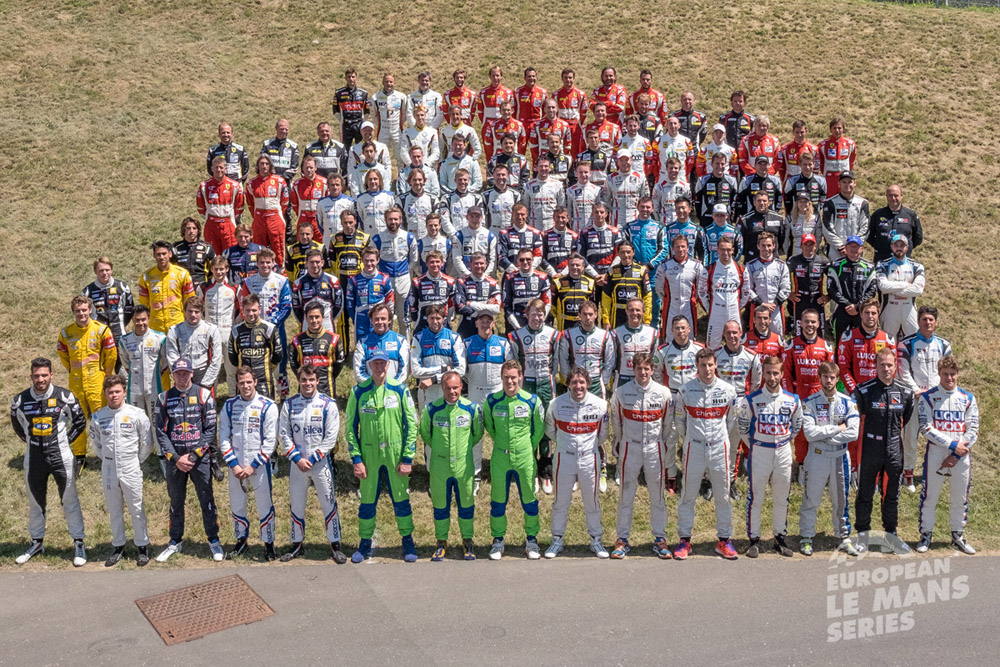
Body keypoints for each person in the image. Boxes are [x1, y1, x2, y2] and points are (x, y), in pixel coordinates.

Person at [10, 358, 88, 566]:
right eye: (36, 376)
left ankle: (78, 542)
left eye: (44, 375)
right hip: (34, 457)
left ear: (51, 375)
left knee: (69, 499)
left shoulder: (64, 396)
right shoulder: (20, 400)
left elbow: (80, 420)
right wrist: (31, 441)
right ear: (31, 376)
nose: (40, 379)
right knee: (35, 501)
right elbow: (17, 425)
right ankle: (36, 542)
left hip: (60, 455)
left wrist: (65, 441)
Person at [346, 351, 419, 563]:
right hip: (369, 456)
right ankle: (365, 543)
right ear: (369, 365)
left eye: (382, 363)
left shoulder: (400, 390)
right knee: (367, 502)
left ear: (388, 365)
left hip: (395, 455)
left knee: (401, 500)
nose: (379, 367)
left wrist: (407, 458)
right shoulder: (359, 392)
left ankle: (407, 540)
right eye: (375, 363)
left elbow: (411, 425)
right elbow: (350, 428)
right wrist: (357, 459)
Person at [673, 348, 740, 561]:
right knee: (688, 495)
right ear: (697, 367)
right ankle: (684, 540)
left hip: (720, 447)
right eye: (703, 365)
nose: (707, 369)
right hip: (694, 447)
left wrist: (718, 438)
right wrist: (692, 438)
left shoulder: (728, 391)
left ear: (716, 365)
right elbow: (680, 423)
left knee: (723, 495)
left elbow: (731, 421)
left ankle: (724, 540)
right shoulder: (685, 391)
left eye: (710, 365)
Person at [154, 358, 222, 563]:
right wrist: (175, 458)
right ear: (172, 375)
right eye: (178, 373)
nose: (182, 376)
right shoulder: (163, 398)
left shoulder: (204, 395)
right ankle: (175, 541)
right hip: (175, 459)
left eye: (185, 373)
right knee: (175, 501)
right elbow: (160, 432)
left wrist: (193, 455)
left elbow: (210, 430)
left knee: (207, 500)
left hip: (199, 459)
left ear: (192, 373)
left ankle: (213, 540)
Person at [278, 364, 347, 563]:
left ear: (318, 381)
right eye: (304, 380)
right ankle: (297, 545)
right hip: (297, 464)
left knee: (328, 503)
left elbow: (331, 438)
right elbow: (284, 434)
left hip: (320, 463)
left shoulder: (328, 404)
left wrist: (313, 458)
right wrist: (298, 458)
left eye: (311, 380)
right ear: (298, 381)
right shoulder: (289, 404)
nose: (307, 384)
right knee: (296, 505)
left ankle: (335, 545)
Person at [609, 352, 674, 559]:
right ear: (633, 370)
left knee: (657, 495)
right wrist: (622, 441)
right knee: (626, 494)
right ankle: (622, 539)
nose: (643, 372)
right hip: (630, 447)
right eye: (639, 369)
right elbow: (616, 423)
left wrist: (660, 444)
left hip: (654, 448)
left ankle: (660, 538)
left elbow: (667, 425)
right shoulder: (621, 392)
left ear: (652, 370)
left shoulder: (664, 393)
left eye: (647, 368)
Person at [738, 355, 803, 558]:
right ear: (763, 374)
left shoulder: (792, 400)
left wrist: (784, 441)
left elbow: (797, 426)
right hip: (760, 451)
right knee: (756, 497)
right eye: (768, 373)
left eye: (776, 373)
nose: (772, 377)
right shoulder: (751, 400)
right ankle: (754, 540)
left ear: (782, 374)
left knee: (782, 497)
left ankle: (779, 537)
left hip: (783, 451)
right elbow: (742, 428)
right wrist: (757, 445)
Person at [544, 366, 610, 559]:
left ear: (588, 384)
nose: (578, 386)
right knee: (560, 501)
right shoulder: (556, 404)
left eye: (581, 382)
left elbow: (602, 434)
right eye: (574, 382)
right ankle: (557, 540)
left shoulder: (600, 405)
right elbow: (551, 432)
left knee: (592, 501)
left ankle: (596, 540)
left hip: (590, 457)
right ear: (568, 384)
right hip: (564, 456)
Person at [916, 355, 978, 555]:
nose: (949, 378)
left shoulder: (968, 398)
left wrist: (956, 454)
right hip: (936, 451)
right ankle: (926, 534)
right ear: (939, 374)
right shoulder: (927, 397)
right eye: (945, 374)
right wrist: (951, 444)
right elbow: (926, 428)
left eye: (952, 374)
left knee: (960, 497)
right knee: (929, 497)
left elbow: (973, 430)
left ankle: (957, 534)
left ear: (958, 374)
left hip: (961, 455)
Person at [482, 361, 545, 560]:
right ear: (501, 378)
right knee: (498, 501)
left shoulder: (532, 401)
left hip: (525, 457)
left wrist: (527, 447)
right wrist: (502, 445)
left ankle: (532, 540)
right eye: (506, 377)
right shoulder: (491, 401)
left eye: (513, 377)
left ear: (520, 378)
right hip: (500, 456)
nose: (510, 381)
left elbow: (538, 430)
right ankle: (498, 541)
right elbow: (490, 428)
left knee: (529, 500)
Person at [853, 347, 914, 552]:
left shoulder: (905, 392)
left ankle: (891, 534)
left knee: (892, 494)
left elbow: (906, 416)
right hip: (871, 447)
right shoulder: (864, 390)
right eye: (882, 365)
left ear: (895, 366)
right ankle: (863, 534)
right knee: (865, 492)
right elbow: (857, 416)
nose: (886, 369)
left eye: (890, 365)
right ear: (875, 366)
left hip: (894, 448)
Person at [798, 362, 860, 557]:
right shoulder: (809, 402)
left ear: (837, 378)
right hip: (816, 457)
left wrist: (824, 434)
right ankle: (807, 537)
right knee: (811, 499)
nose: (829, 381)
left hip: (840, 457)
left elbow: (854, 433)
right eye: (825, 377)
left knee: (841, 500)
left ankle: (843, 537)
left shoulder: (848, 402)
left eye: (832, 377)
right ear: (820, 377)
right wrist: (837, 428)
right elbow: (809, 433)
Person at [89, 375, 152, 567]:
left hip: (131, 465)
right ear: (105, 393)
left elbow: (147, 442)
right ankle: (118, 545)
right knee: (114, 509)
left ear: (124, 392)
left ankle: (142, 546)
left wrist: (135, 460)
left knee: (136, 507)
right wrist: (108, 460)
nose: (114, 395)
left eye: (117, 391)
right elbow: (96, 444)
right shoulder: (98, 416)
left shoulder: (137, 414)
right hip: (108, 467)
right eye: (110, 392)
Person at [420, 372, 483, 562]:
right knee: (440, 506)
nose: (452, 392)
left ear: (461, 387)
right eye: (448, 388)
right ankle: (441, 542)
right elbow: (426, 434)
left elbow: (477, 434)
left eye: (455, 388)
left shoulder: (471, 409)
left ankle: (467, 541)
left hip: (464, 466)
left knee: (466, 505)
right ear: (442, 389)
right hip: (440, 467)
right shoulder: (431, 409)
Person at [219, 366, 279, 561]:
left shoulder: (268, 406)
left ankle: (269, 544)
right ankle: (241, 542)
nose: (245, 386)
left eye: (248, 382)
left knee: (265, 505)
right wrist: (234, 465)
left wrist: (253, 466)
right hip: (235, 466)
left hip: (259, 466)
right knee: (237, 505)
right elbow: (223, 438)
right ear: (237, 384)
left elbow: (270, 442)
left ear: (255, 382)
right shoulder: (229, 405)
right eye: (241, 382)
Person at [837, 299, 896, 479]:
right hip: (855, 394)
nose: (870, 316)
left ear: (878, 315)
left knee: (878, 436)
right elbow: (842, 366)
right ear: (860, 314)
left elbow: (893, 367)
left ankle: (875, 474)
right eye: (866, 313)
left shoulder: (887, 339)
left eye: (873, 313)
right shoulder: (849, 337)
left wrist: (882, 388)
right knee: (854, 432)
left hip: (879, 394)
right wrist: (854, 390)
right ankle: (853, 469)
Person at [58, 294, 118, 467]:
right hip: (76, 383)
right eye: (77, 311)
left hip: (97, 382)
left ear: (90, 310)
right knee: (78, 419)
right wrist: (71, 370)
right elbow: (62, 353)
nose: (81, 314)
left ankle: (107, 453)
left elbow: (111, 354)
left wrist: (106, 375)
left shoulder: (101, 330)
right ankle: (79, 456)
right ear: (73, 312)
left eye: (84, 310)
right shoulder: (66, 333)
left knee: (103, 419)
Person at [897, 305, 952, 490]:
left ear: (935, 322)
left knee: (938, 437)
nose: (927, 322)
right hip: (915, 398)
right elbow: (902, 371)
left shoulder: (944, 345)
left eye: (931, 319)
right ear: (918, 321)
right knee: (911, 438)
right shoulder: (907, 343)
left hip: (936, 399)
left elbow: (947, 371)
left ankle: (936, 471)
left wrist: (939, 391)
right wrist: (915, 390)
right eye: (924, 319)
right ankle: (908, 474)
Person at [508, 300, 559, 490]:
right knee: (527, 427)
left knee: (545, 426)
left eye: (540, 314)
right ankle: (529, 470)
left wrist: (550, 378)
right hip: (526, 387)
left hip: (546, 385)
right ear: (526, 314)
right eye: (533, 314)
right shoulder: (516, 336)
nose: (537, 318)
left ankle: (545, 471)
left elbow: (556, 364)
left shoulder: (553, 335)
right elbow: (513, 364)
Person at [655, 315, 705, 492]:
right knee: (670, 438)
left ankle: (694, 475)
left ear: (689, 329)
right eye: (677, 328)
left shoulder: (699, 349)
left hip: (694, 398)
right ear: (671, 330)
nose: (680, 331)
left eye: (683, 328)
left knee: (695, 438)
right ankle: (670, 475)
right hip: (673, 398)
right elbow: (657, 375)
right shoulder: (662, 351)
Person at [465, 311, 515, 487]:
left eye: (488, 321)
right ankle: (475, 473)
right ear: (476, 323)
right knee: (475, 435)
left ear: (493, 323)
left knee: (501, 435)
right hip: (475, 394)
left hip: (496, 396)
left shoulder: (503, 343)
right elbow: (462, 371)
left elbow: (510, 370)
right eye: (482, 321)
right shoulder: (468, 343)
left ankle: (501, 470)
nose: (485, 324)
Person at [781, 309, 835, 469]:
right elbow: (786, 375)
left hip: (820, 393)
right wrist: (790, 397)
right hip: (800, 394)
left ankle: (821, 464)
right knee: (801, 432)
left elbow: (832, 374)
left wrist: (829, 395)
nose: (810, 325)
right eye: (806, 321)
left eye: (813, 322)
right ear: (800, 323)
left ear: (818, 324)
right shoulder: (791, 345)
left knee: (822, 429)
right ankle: (802, 464)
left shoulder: (825, 346)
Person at [117, 305, 168, 472]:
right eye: (137, 320)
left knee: (156, 421)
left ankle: (161, 455)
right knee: (135, 422)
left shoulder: (160, 338)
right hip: (134, 389)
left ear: (148, 319)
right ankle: (138, 455)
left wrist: (158, 373)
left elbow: (165, 361)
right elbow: (125, 363)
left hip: (154, 387)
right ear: (132, 320)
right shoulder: (125, 341)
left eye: (143, 320)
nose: (140, 323)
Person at [713, 320, 761, 498]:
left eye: (735, 332)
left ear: (741, 333)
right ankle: (711, 481)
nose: (732, 336)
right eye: (728, 333)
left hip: (741, 403)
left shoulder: (752, 356)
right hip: (719, 404)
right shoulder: (715, 355)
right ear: (723, 335)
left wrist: (747, 403)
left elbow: (756, 383)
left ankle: (730, 481)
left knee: (734, 446)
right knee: (716, 444)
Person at [410, 304, 466, 416]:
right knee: (428, 426)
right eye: (432, 318)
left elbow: (461, 370)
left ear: (444, 319)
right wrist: (443, 369)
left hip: (447, 388)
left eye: (438, 318)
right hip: (426, 390)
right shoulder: (418, 338)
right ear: (427, 319)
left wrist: (435, 379)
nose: (435, 322)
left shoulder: (454, 338)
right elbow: (415, 371)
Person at [371, 206, 418, 336]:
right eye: (390, 219)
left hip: (403, 279)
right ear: (385, 220)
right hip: (385, 281)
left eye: (396, 219)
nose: (393, 222)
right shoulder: (377, 239)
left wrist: (405, 271)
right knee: (386, 315)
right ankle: (387, 343)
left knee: (404, 318)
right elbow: (373, 260)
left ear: (401, 219)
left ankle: (405, 346)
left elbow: (414, 260)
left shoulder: (409, 237)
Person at [82, 257, 133, 371]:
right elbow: (85, 316)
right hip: (98, 338)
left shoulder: (122, 287)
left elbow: (129, 310)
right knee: (101, 374)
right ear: (95, 271)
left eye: (107, 270)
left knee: (124, 375)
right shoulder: (87, 291)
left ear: (111, 270)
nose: (105, 273)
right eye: (101, 270)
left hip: (119, 337)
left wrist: (120, 324)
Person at [328, 211, 371, 348]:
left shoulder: (365, 238)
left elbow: (368, 262)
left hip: (359, 285)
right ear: (341, 223)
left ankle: (364, 348)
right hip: (342, 284)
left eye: (351, 222)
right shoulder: (334, 240)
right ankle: (345, 351)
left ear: (356, 222)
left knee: (362, 318)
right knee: (342, 320)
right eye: (345, 222)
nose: (348, 225)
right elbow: (332, 265)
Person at [229, 293, 283, 400]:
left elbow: (278, 354)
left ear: (259, 309)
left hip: (264, 378)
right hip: (244, 380)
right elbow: (232, 357)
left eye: (254, 310)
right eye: (248, 310)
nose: (251, 313)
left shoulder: (269, 328)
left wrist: (268, 368)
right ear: (242, 311)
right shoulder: (236, 330)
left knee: (266, 409)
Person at [165, 296, 223, 393]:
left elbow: (217, 358)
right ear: (184, 311)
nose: (193, 315)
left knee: (205, 406)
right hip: (183, 372)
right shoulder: (174, 330)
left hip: (204, 373)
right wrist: (180, 376)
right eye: (190, 311)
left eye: (196, 312)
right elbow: (172, 356)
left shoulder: (212, 329)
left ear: (201, 312)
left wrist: (206, 382)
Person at [700, 236, 748, 349]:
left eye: (728, 249)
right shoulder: (708, 269)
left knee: (736, 343)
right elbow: (701, 293)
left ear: (733, 250)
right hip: (716, 311)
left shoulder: (741, 269)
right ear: (717, 250)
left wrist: (737, 307)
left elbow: (746, 293)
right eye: (722, 249)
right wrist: (710, 309)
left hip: (734, 310)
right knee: (712, 345)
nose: (725, 252)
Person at [289, 301, 344, 398]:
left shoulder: (334, 339)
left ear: (323, 317)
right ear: (306, 318)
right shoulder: (297, 340)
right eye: (311, 317)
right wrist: (305, 378)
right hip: (306, 386)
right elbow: (294, 364)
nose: (314, 320)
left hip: (327, 387)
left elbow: (339, 363)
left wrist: (328, 376)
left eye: (317, 317)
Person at [138, 241, 195, 334]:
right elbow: (143, 305)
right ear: (154, 256)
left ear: (170, 254)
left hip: (177, 324)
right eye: (158, 254)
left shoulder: (182, 274)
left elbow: (190, 301)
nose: (161, 257)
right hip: (155, 327)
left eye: (164, 254)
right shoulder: (146, 276)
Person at [655, 235, 704, 342]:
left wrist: (694, 299)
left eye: (683, 246)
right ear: (672, 249)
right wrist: (667, 298)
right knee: (669, 336)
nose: (680, 249)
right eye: (677, 247)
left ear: (688, 248)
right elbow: (658, 287)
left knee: (689, 336)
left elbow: (701, 288)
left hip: (689, 306)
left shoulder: (696, 266)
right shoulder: (664, 266)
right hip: (671, 306)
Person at [827, 236, 878, 342]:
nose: (854, 249)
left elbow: (872, 290)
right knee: (840, 343)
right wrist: (846, 304)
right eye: (851, 246)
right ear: (845, 248)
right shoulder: (835, 265)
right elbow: (831, 288)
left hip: (862, 311)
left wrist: (858, 306)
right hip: (841, 309)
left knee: (862, 343)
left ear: (861, 249)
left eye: (856, 246)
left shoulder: (869, 267)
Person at [876, 234, 925, 340]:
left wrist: (892, 289)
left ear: (907, 247)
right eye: (896, 245)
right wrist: (906, 285)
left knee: (911, 342)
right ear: (891, 246)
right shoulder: (882, 265)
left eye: (902, 245)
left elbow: (918, 290)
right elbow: (883, 286)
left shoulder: (917, 266)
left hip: (909, 309)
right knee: (888, 343)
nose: (899, 248)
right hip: (889, 309)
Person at [245, 155, 290, 259]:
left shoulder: (279, 181)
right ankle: (259, 272)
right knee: (258, 248)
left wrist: (277, 214)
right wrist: (257, 215)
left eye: (266, 164)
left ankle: (280, 271)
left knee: (278, 247)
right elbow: (250, 203)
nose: (264, 166)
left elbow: (285, 201)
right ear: (258, 166)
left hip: (275, 218)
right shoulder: (251, 183)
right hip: (259, 219)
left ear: (270, 166)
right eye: (262, 164)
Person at [197, 156, 245, 253]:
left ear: (225, 169)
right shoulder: (204, 186)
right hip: (211, 224)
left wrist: (230, 217)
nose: (219, 170)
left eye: (221, 167)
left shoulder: (234, 185)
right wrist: (209, 217)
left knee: (230, 254)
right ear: (211, 169)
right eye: (216, 167)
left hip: (228, 224)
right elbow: (200, 206)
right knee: (213, 255)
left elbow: (239, 206)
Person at [345, 246, 394, 342]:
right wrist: (355, 318)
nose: (369, 264)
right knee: (360, 345)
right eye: (366, 260)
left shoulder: (384, 279)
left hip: (379, 318)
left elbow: (390, 302)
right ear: (362, 261)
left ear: (378, 260)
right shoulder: (354, 280)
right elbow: (350, 304)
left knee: (380, 343)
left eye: (372, 260)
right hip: (360, 318)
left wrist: (387, 319)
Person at [745, 232, 791, 334]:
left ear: (774, 246)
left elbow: (786, 288)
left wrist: (774, 304)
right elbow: (747, 288)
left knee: (778, 339)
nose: (766, 248)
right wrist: (761, 303)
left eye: (769, 245)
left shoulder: (781, 265)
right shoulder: (750, 266)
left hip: (775, 309)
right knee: (755, 338)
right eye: (763, 245)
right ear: (758, 246)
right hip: (758, 308)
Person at [291, 249, 344, 337]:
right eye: (311, 262)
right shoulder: (298, 283)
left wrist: (328, 318)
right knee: (307, 349)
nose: (315, 265)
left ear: (322, 263)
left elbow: (338, 305)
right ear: (306, 263)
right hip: (307, 323)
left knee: (330, 349)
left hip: (327, 322)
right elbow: (296, 308)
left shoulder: (333, 281)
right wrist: (307, 319)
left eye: (317, 262)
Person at [786, 233, 831, 336]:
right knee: (799, 328)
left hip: (817, 299)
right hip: (800, 299)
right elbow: (783, 278)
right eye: (806, 244)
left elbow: (834, 280)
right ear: (801, 245)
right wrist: (788, 294)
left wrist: (829, 296)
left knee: (819, 329)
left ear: (816, 246)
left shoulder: (823, 261)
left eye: (811, 244)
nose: (808, 247)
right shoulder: (793, 261)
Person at [352, 303, 410, 383]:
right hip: (370, 391)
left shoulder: (401, 341)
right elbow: (359, 373)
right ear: (371, 320)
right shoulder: (362, 343)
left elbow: (404, 371)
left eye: (383, 319)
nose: (380, 322)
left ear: (389, 320)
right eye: (376, 319)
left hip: (394, 390)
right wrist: (375, 386)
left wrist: (391, 386)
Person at [868, 184, 923, 264]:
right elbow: (869, 236)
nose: (893, 198)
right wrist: (880, 246)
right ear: (886, 196)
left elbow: (918, 237)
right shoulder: (877, 214)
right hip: (881, 260)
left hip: (903, 261)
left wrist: (904, 248)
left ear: (901, 196)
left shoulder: (911, 215)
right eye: (890, 195)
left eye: (896, 195)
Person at [602, 243, 652, 330]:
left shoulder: (642, 271)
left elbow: (647, 297)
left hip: (635, 315)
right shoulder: (611, 272)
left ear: (633, 252)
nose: (626, 255)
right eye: (622, 252)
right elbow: (606, 298)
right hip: (617, 316)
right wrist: (606, 320)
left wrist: (647, 320)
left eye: (628, 252)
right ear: (618, 253)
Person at [821, 172, 869, 261]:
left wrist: (854, 245)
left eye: (849, 182)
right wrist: (840, 247)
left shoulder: (863, 203)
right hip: (836, 250)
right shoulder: (830, 203)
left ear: (854, 183)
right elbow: (827, 228)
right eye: (844, 182)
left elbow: (865, 227)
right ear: (839, 184)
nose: (847, 185)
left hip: (855, 249)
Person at [502, 248, 552, 331]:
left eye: (528, 259)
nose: (525, 262)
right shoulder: (509, 278)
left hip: (536, 321)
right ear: (518, 261)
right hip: (517, 322)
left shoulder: (543, 278)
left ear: (533, 260)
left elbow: (547, 303)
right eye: (522, 260)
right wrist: (516, 326)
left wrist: (539, 320)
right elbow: (506, 306)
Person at [407, 251, 456, 335]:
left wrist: (448, 318)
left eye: (437, 261)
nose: (435, 264)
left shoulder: (450, 281)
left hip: (442, 322)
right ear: (426, 264)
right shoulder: (417, 282)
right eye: (431, 262)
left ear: (442, 263)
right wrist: (415, 321)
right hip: (422, 322)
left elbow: (452, 303)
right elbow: (412, 305)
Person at [454, 254, 502, 338]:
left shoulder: (493, 283)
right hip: (467, 325)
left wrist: (471, 304)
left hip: (486, 326)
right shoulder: (461, 282)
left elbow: (496, 308)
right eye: (476, 263)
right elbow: (460, 307)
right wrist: (486, 307)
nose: (479, 266)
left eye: (481, 263)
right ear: (470, 264)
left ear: (486, 264)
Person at [601, 149, 649, 227]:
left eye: (626, 160)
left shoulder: (640, 177)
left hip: (635, 216)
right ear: (617, 162)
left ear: (631, 160)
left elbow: (645, 198)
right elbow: (606, 199)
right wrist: (612, 211)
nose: (624, 163)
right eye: (621, 160)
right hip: (617, 218)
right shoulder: (610, 178)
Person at [551, 253, 597, 330]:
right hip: (564, 323)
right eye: (572, 265)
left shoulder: (590, 283)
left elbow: (592, 305)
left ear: (583, 267)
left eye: (577, 265)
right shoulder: (558, 282)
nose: (575, 267)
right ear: (568, 267)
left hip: (582, 323)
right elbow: (553, 305)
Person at [331, 67, 371, 152]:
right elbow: (335, 110)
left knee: (361, 148)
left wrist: (363, 120)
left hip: (359, 124)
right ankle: (345, 165)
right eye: (348, 77)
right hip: (345, 125)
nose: (351, 79)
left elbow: (367, 110)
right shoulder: (339, 93)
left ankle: (360, 165)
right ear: (345, 78)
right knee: (344, 149)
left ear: (356, 77)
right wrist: (342, 119)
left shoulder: (363, 93)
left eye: (353, 77)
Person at [739, 188, 784, 262]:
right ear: (754, 203)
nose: (762, 203)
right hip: (752, 258)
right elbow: (741, 240)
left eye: (764, 201)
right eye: (759, 201)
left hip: (773, 258)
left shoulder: (778, 218)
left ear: (769, 203)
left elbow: (782, 238)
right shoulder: (745, 219)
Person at [694, 153, 739, 226]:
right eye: (717, 163)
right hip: (707, 218)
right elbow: (697, 202)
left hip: (725, 218)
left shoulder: (732, 180)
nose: (720, 166)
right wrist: (701, 217)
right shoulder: (702, 180)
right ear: (712, 164)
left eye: (722, 164)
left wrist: (732, 216)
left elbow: (734, 201)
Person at [290, 156, 328, 241]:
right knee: (303, 244)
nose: (309, 170)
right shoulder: (297, 184)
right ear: (302, 168)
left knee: (321, 244)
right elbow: (294, 204)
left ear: (315, 168)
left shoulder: (324, 183)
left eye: (311, 167)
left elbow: (327, 201)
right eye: (307, 167)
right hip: (303, 218)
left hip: (319, 219)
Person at [816, 117, 857, 196]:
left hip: (844, 179)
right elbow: (820, 163)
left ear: (843, 129)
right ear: (830, 130)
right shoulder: (823, 145)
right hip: (829, 180)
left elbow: (852, 160)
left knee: (845, 200)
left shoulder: (850, 144)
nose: (837, 130)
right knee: (829, 202)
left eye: (839, 128)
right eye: (834, 128)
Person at [498, 203, 543, 274]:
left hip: (530, 273)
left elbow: (538, 255)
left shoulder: (536, 233)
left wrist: (528, 268)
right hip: (511, 274)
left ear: (527, 214)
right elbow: (501, 256)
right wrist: (515, 271)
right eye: (517, 214)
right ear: (512, 215)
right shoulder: (504, 234)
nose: (520, 217)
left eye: (522, 214)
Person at [452, 208, 498, 279]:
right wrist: (468, 274)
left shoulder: (490, 236)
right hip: (465, 276)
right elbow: (456, 258)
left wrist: (485, 275)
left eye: (477, 217)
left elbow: (493, 259)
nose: (474, 220)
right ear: (467, 217)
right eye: (472, 217)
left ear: (482, 218)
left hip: (485, 276)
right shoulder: (459, 236)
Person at [173, 217, 217, 289]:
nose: (191, 231)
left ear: (198, 230)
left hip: (202, 286)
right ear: (184, 230)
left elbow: (215, 268)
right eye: (188, 228)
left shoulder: (207, 247)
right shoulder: (175, 248)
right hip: (182, 285)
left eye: (194, 228)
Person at [524, 157, 565, 230]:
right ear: (536, 167)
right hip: (534, 224)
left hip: (552, 224)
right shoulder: (528, 185)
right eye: (541, 166)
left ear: (550, 168)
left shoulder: (557, 185)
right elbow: (525, 207)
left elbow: (561, 207)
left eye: (546, 166)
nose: (543, 168)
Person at [374, 73, 407, 162]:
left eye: (391, 82)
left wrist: (399, 123)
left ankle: (401, 175)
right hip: (383, 130)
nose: (389, 84)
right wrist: (381, 124)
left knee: (401, 156)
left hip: (397, 131)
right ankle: (382, 175)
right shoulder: (375, 98)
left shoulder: (402, 97)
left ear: (394, 83)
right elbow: (374, 114)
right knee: (380, 156)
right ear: (383, 82)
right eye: (386, 81)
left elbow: (404, 114)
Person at [260, 119, 300, 191]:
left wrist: (282, 178)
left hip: (285, 183)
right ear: (276, 128)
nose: (284, 131)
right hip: (269, 182)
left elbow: (295, 167)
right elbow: (262, 163)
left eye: (286, 129)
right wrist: (272, 177)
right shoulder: (267, 144)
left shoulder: (293, 146)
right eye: (282, 129)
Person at [353, 168, 396, 235]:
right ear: (366, 181)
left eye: (375, 179)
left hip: (386, 234)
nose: (373, 181)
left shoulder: (389, 196)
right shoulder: (360, 198)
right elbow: (360, 219)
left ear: (380, 180)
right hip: (369, 234)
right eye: (370, 179)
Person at [652, 158, 691, 226]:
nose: (673, 170)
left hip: (680, 223)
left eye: (676, 168)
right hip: (664, 224)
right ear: (666, 169)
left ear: (679, 169)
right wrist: (658, 222)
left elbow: (688, 207)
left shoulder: (686, 186)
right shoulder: (659, 186)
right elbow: (655, 207)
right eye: (671, 168)